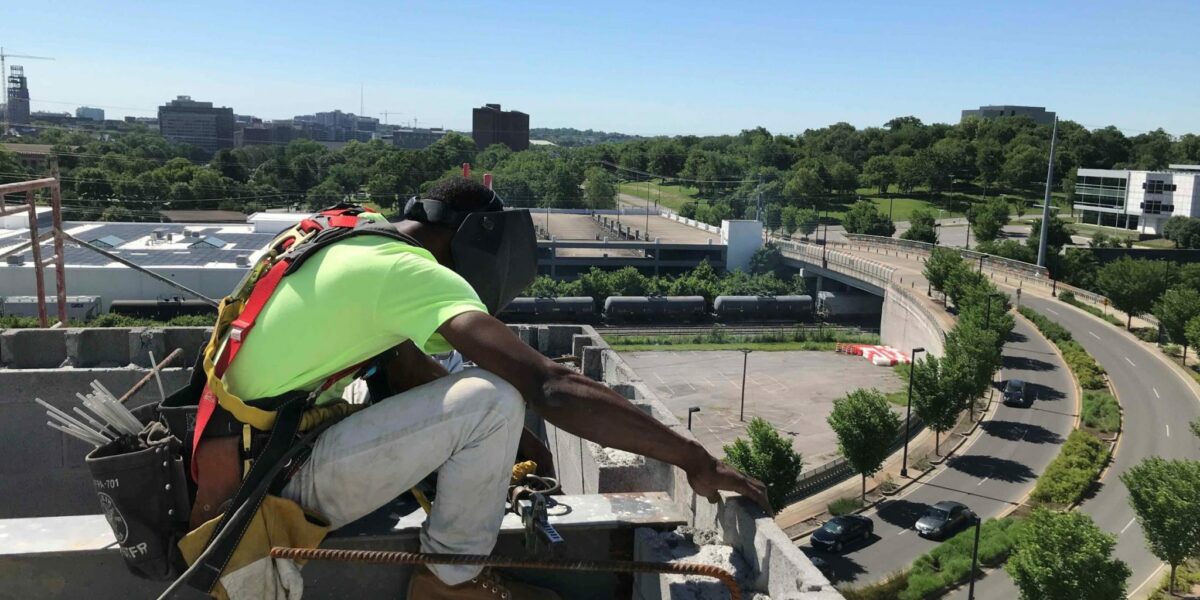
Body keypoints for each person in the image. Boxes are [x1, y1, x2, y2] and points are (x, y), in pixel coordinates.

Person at [221, 178, 770, 599]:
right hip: (273, 484)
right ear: (475, 240)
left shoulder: (353, 234)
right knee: (493, 398)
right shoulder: (412, 274)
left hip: (246, 456)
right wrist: (691, 456)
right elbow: (550, 385)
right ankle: (450, 585)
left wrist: (516, 447)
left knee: (484, 403)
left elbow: (404, 371)